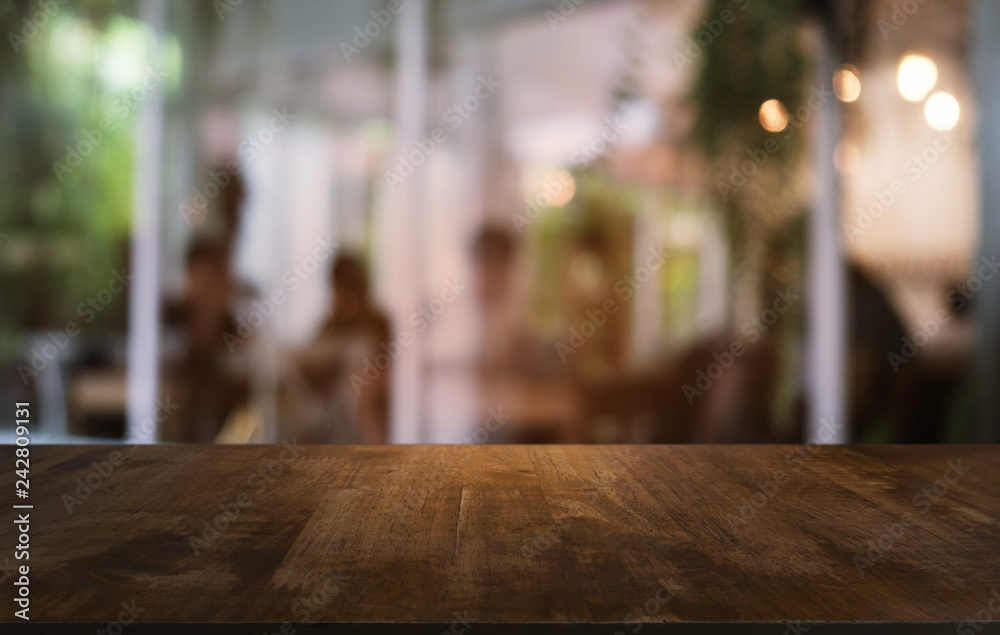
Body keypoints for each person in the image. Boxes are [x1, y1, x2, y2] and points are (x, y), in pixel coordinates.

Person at [287, 253, 391, 443]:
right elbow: (311, 362)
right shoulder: (331, 323)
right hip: (334, 415)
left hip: (365, 412)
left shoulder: (376, 322)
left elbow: (388, 374)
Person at [161, 237, 250, 442]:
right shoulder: (170, 319)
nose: (204, 290)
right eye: (198, 279)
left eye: (212, 281)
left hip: (217, 441)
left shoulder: (235, 332)